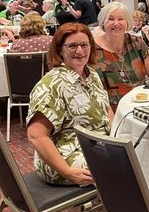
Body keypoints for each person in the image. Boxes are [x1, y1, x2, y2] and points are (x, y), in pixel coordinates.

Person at [27, 22, 111, 185]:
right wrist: (67, 171)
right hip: (64, 157)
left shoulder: (91, 74)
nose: (79, 51)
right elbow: (36, 135)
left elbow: (105, 109)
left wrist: (118, 138)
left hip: (96, 144)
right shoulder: (53, 84)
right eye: (72, 46)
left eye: (84, 45)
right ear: (60, 49)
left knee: (141, 150)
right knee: (123, 167)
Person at [92, 2, 149, 110]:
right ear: (103, 23)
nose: (116, 23)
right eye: (110, 19)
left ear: (127, 22)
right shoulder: (91, 49)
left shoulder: (136, 43)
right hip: (108, 111)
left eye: (120, 19)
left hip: (142, 107)